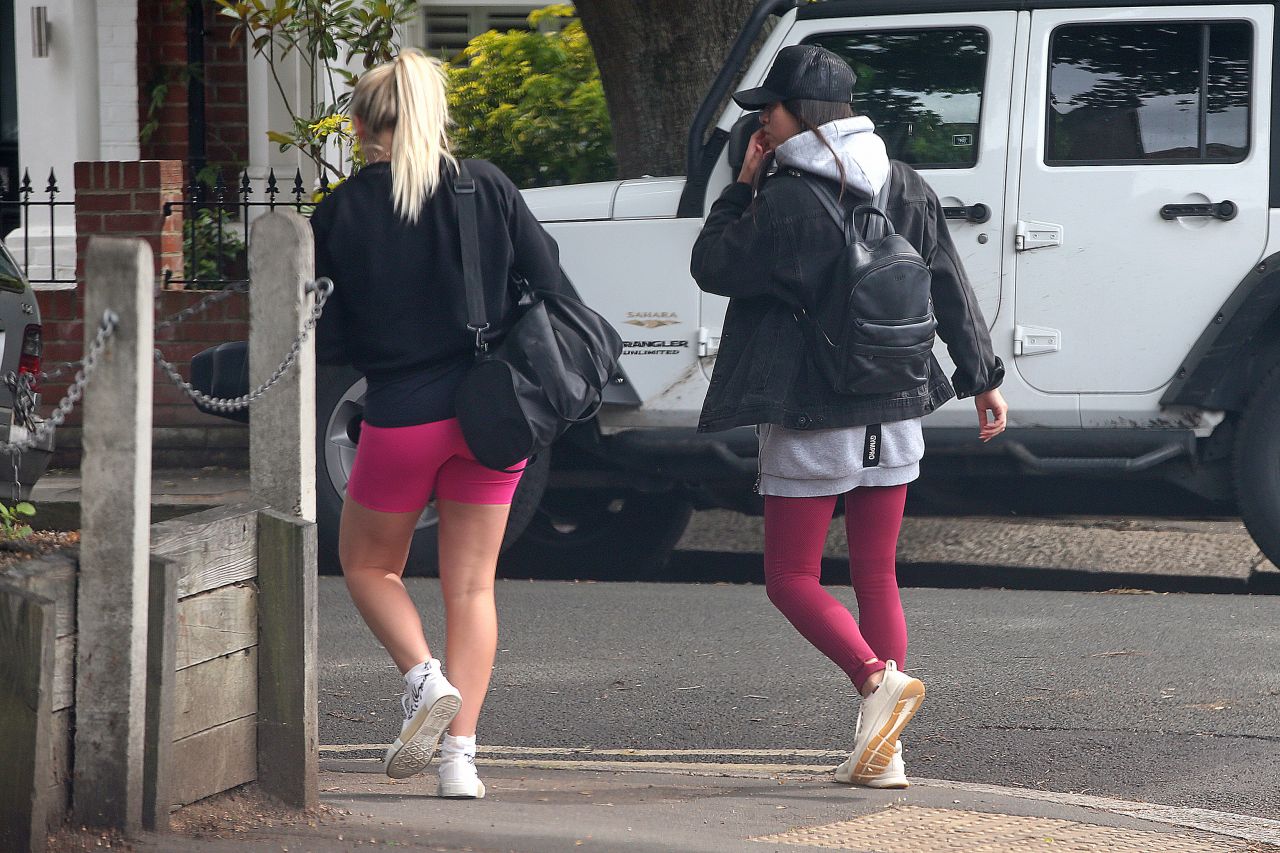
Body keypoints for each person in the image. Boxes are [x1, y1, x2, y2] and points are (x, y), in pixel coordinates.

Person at [691, 44, 1008, 789]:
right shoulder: (904, 181)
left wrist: (740, 186)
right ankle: (886, 753)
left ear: (799, 115)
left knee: (790, 576)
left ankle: (875, 681)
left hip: (811, 409)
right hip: (897, 403)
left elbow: (713, 266)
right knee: (876, 575)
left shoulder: (786, 198)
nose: (759, 124)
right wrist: (982, 376)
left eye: (767, 110)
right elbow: (948, 283)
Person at [311, 49, 567, 798]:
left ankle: (423, 679)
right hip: (493, 416)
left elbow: (326, 335)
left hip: (401, 417)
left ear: (360, 125)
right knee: (472, 587)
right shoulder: (484, 186)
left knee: (368, 565)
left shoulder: (343, 210)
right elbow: (549, 282)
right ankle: (461, 762)